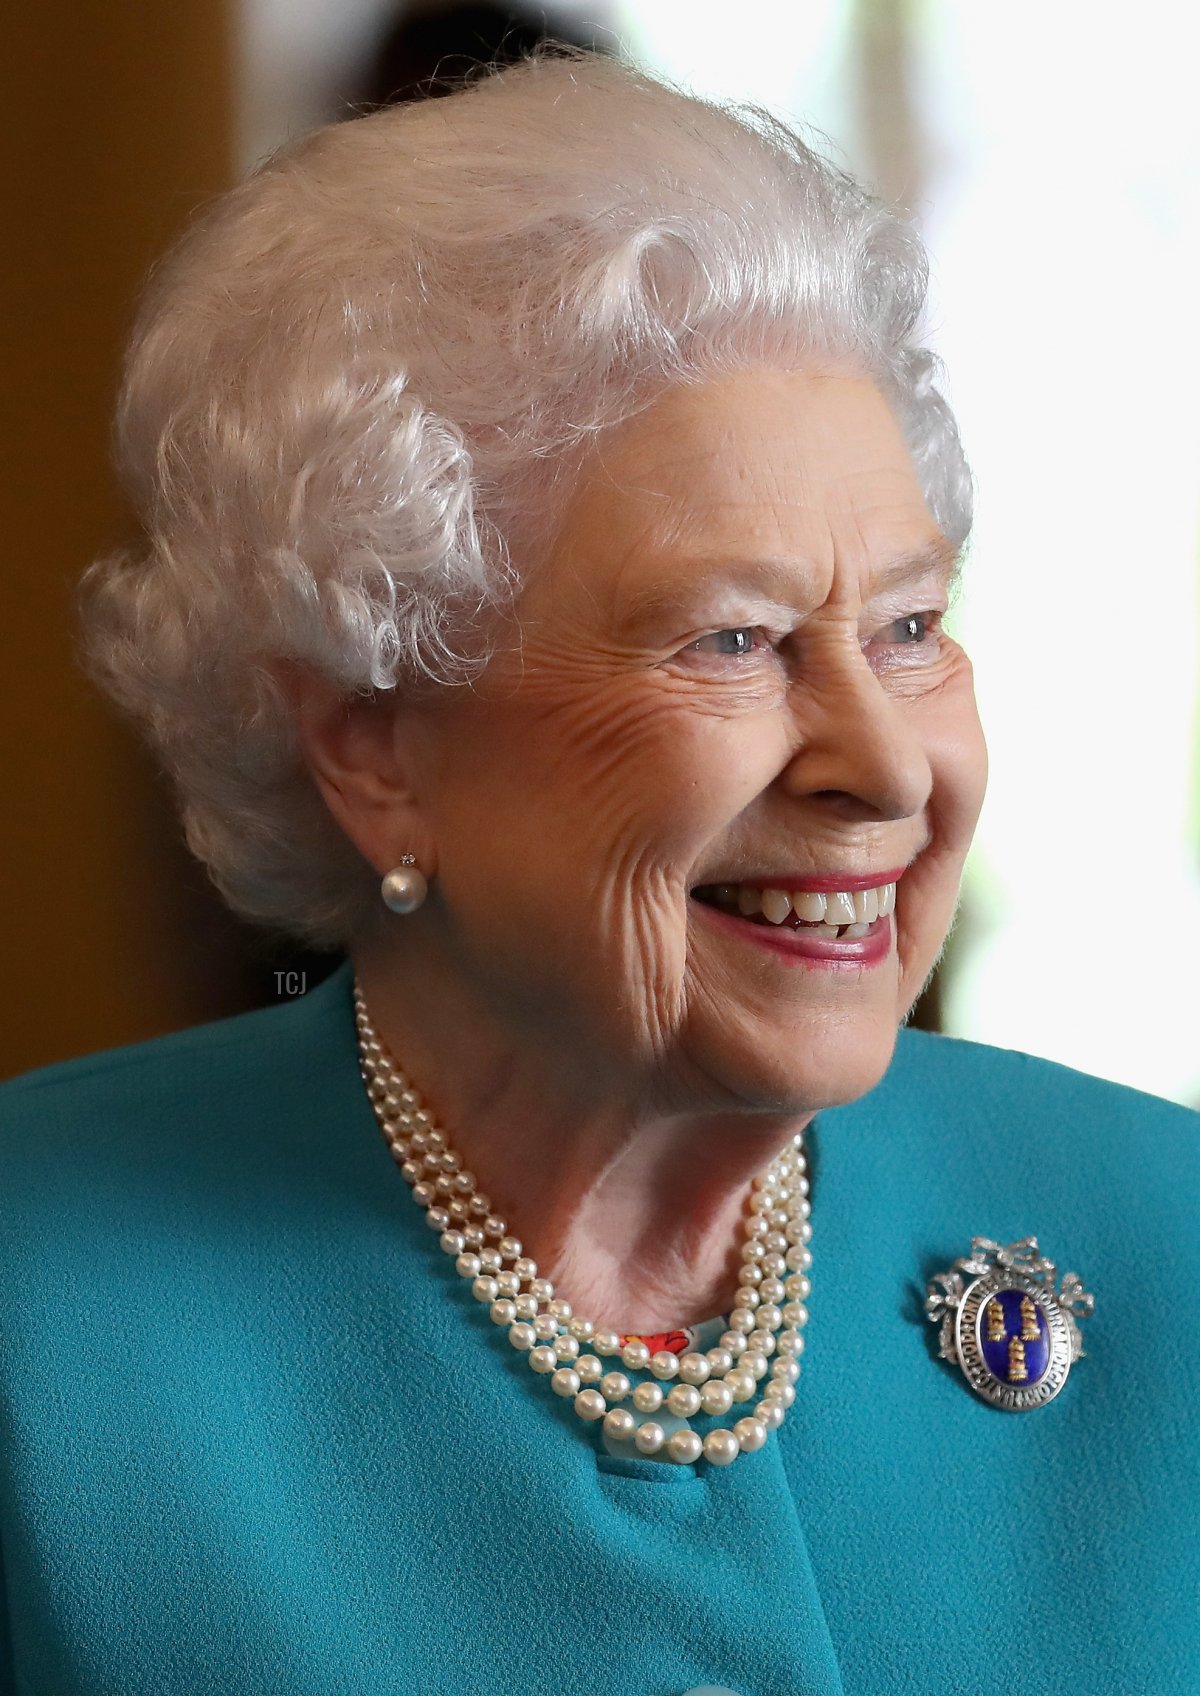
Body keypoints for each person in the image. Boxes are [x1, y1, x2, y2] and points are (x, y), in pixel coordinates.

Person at [0, 50, 1195, 1696]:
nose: (889, 762)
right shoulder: (40, 1320)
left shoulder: (1164, 1225)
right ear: (376, 743)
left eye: (912, 627)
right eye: (737, 640)